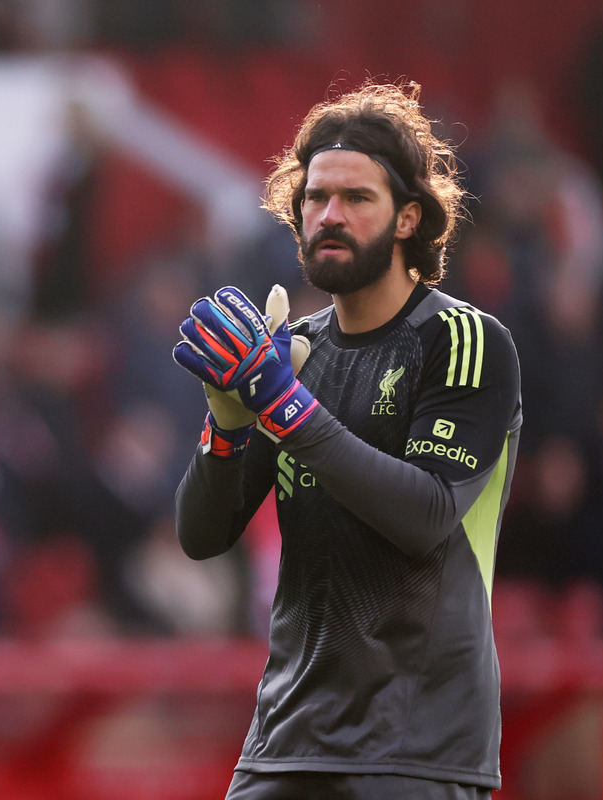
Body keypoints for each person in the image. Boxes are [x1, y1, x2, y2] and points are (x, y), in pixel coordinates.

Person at [172, 81, 521, 800]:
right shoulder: (294, 354)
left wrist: (283, 406)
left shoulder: (465, 341)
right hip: (283, 746)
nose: (329, 215)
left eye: (357, 198)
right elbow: (202, 536)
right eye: (315, 198)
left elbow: (423, 516)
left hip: (417, 751)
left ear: (408, 218)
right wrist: (228, 427)